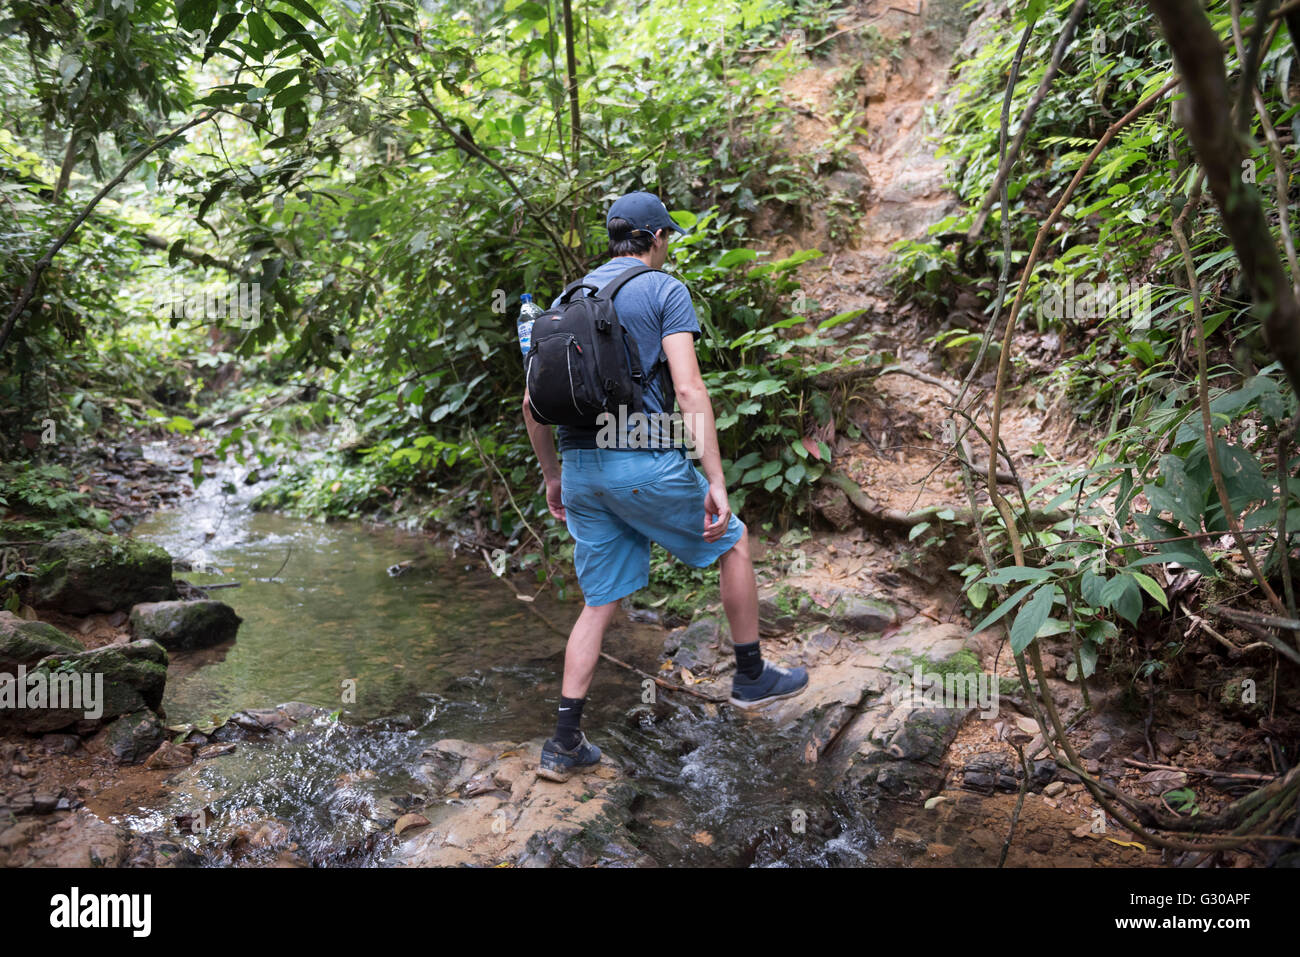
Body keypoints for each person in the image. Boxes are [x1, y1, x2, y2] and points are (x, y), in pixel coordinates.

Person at [522, 191, 808, 782]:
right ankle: (752, 677)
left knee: (598, 603)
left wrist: (553, 476)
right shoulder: (663, 289)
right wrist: (716, 479)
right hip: (641, 458)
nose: (667, 245)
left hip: (580, 469)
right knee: (732, 541)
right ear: (655, 238)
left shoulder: (564, 300)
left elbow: (531, 403)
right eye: (667, 237)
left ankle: (563, 742)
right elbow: (689, 391)